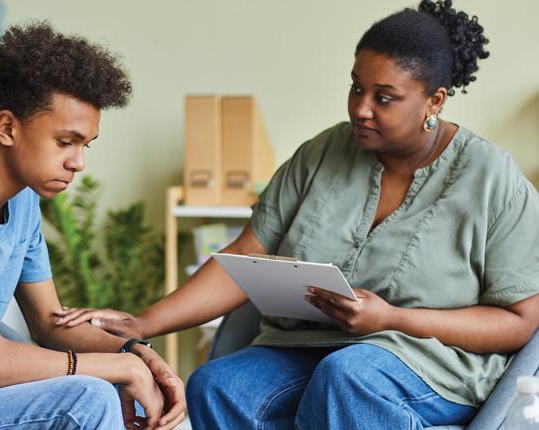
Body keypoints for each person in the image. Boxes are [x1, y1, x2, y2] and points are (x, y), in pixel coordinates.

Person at [56, 1, 539, 429]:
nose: (360, 109)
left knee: (349, 376)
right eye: (355, 88)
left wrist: (392, 318)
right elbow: (246, 255)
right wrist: (144, 323)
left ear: (434, 100)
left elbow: (519, 321)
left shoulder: (491, 178)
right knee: (217, 384)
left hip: (432, 364)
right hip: (310, 347)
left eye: (383, 97)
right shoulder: (322, 153)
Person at [0, 22, 186, 430]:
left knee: (155, 393)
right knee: (88, 398)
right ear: (8, 128)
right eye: (65, 142)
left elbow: (49, 322)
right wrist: (115, 370)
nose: (78, 162)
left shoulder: (23, 196)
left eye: (85, 146)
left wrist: (137, 354)